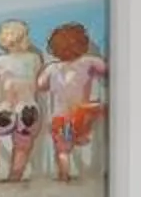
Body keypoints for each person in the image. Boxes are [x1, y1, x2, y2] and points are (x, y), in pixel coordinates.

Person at [0, 18, 47, 183]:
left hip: (6, 109)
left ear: (3, 40)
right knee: (22, 147)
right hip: (28, 109)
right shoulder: (35, 59)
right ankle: (14, 177)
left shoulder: (0, 61)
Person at [40, 22, 109, 180]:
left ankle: (64, 175)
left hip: (62, 119)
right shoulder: (90, 62)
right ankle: (81, 136)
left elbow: (41, 85)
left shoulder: (51, 68)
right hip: (82, 115)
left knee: (62, 151)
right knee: (98, 107)